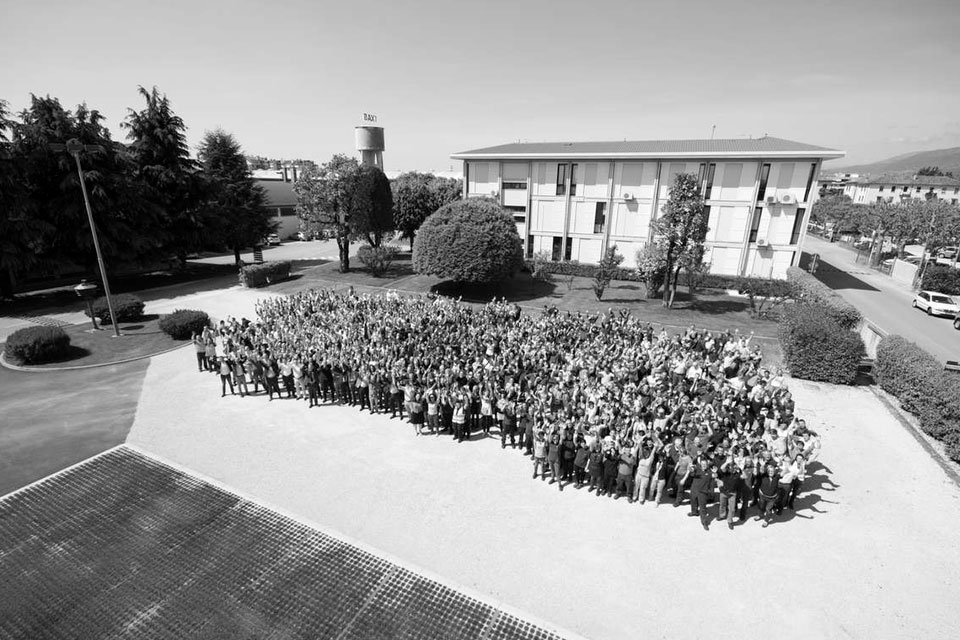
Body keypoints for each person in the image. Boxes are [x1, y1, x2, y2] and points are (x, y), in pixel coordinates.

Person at [756, 462, 780, 528]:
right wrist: (762, 465)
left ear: (774, 472)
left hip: (772, 498)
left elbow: (784, 472)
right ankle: (760, 515)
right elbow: (761, 471)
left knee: (768, 509)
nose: (771, 472)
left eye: (772, 471)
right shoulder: (763, 476)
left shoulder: (776, 477)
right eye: (769, 471)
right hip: (763, 496)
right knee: (761, 507)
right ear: (767, 471)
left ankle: (766, 520)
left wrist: (782, 463)